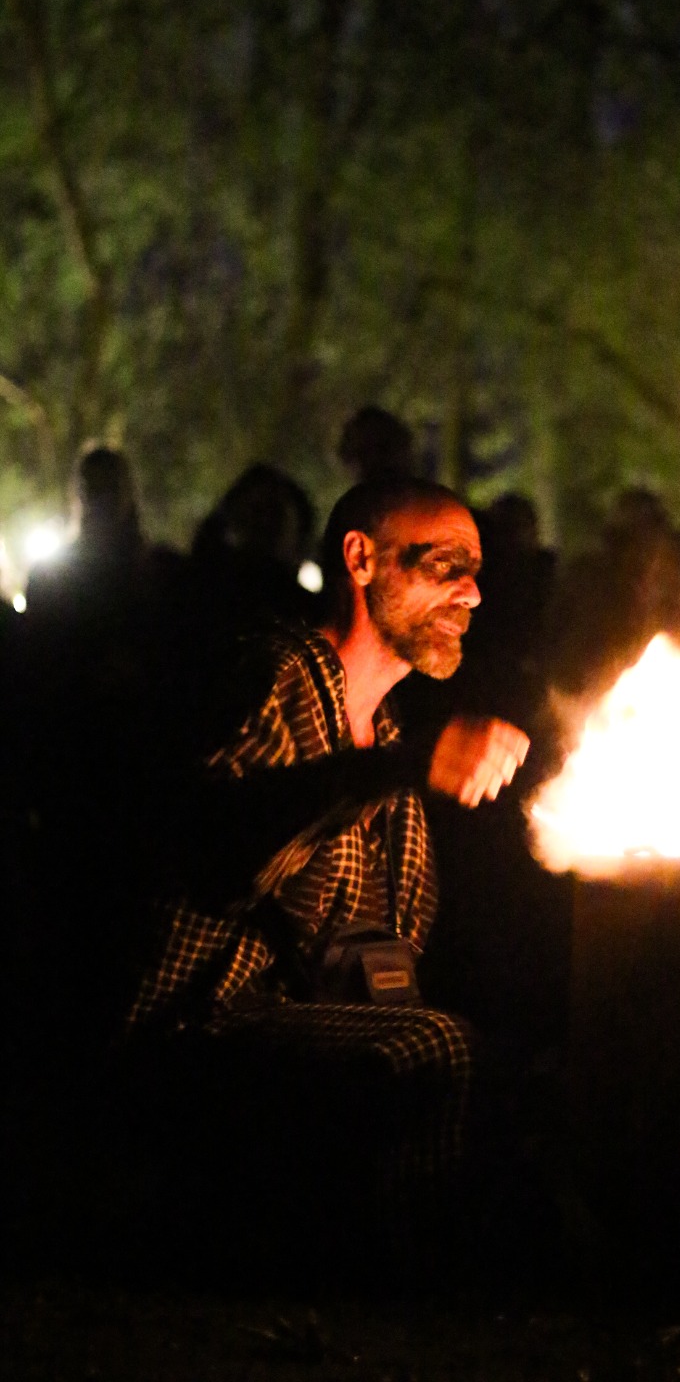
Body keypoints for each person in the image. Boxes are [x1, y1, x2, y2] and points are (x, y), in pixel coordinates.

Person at [125, 477, 529, 1266]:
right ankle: (401, 1278)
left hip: (298, 1035)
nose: (473, 594)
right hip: (194, 1036)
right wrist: (397, 769)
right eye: (446, 566)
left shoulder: (386, 734)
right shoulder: (272, 676)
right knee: (433, 1051)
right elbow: (221, 857)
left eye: (475, 571)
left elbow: (389, 955)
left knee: (491, 1056)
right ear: (362, 559)